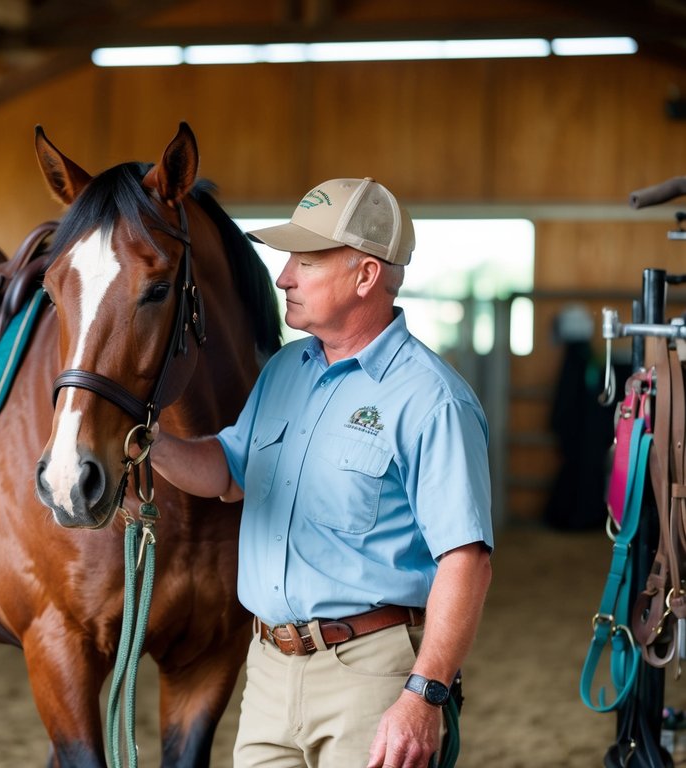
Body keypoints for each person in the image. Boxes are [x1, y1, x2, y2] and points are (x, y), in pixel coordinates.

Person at [151, 178, 494, 768]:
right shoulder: (285, 369)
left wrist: (424, 694)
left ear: (365, 277)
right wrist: (149, 441)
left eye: (305, 262)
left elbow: (466, 561)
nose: (283, 277)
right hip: (266, 672)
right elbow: (231, 473)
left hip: (370, 677)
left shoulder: (433, 400)